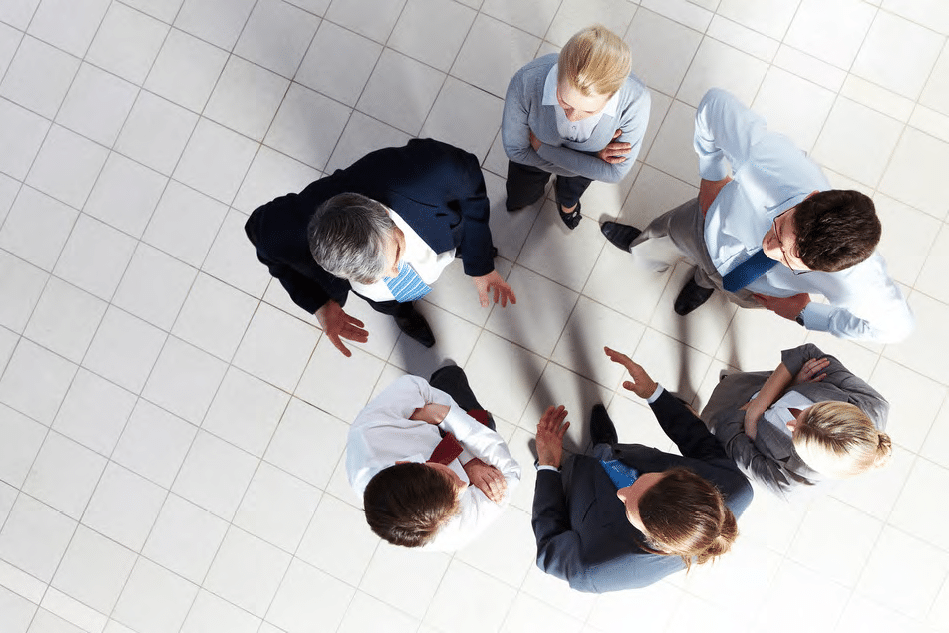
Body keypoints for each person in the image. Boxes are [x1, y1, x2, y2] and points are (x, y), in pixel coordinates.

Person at [600, 88, 912, 343]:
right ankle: (644, 253)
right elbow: (713, 105)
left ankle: (704, 282)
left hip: (758, 289)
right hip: (707, 223)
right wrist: (711, 176)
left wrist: (808, 315)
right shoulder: (768, 162)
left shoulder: (858, 285)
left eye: (789, 258)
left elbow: (897, 330)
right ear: (811, 198)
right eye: (779, 228)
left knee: (727, 285)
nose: (770, 248)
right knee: (660, 237)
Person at [245, 138, 515, 356]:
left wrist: (480, 263)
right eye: (372, 276)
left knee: (467, 243)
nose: (395, 274)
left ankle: (464, 251)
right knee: (393, 303)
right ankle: (403, 314)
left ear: (384, 215)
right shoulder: (281, 233)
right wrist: (319, 304)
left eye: (395, 255)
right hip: (384, 295)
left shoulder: (429, 172)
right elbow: (262, 242)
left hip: (442, 233)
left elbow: (468, 178)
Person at [530, 346, 752, 592]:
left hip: (578, 499)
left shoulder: (596, 570)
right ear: (684, 476)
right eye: (642, 480)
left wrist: (548, 465)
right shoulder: (736, 487)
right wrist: (653, 393)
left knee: (564, 475)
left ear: (657, 540)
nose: (621, 492)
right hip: (623, 457)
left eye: (629, 507)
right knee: (606, 452)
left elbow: (549, 546)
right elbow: (701, 444)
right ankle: (604, 446)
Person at [347, 365, 520, 551]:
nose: (464, 485)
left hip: (446, 409)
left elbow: (416, 388)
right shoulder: (451, 531)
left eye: (449, 476)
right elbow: (510, 473)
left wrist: (448, 418)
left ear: (405, 463)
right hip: (462, 431)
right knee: (483, 421)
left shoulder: (370, 431)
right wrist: (444, 417)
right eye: (455, 499)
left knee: (450, 377)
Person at [502, 24, 650, 230]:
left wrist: (541, 147)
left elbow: (615, 173)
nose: (572, 118)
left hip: (542, 155)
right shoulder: (526, 81)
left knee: (572, 190)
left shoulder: (636, 101)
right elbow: (516, 151)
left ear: (612, 95)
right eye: (564, 101)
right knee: (521, 193)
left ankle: (567, 202)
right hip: (559, 165)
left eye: (589, 111)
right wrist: (592, 161)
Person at [702, 343, 891, 499]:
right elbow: (807, 353)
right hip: (755, 385)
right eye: (806, 411)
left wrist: (756, 412)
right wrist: (758, 411)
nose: (790, 424)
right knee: (734, 383)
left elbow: (728, 437)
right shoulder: (874, 405)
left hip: (726, 414)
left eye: (796, 435)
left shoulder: (790, 483)